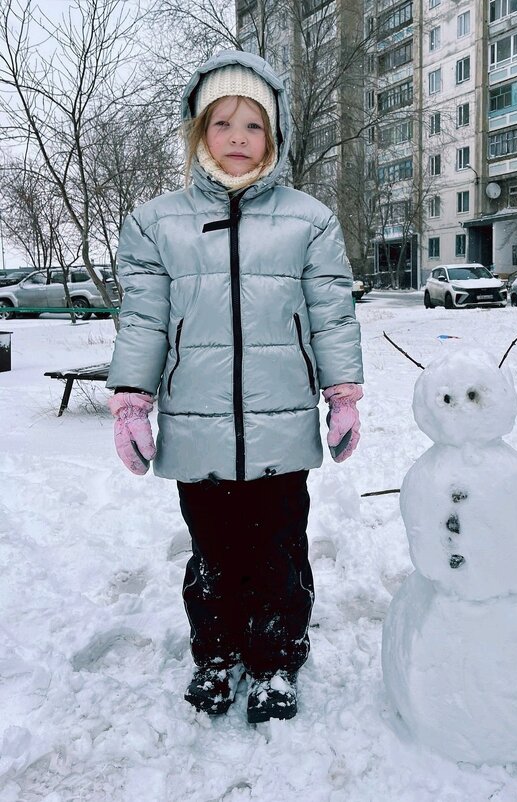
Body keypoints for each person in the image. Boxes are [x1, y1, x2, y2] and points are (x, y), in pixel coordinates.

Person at [106, 50, 364, 724]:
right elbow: (143, 316)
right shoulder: (157, 223)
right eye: (223, 122)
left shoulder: (308, 220)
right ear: (199, 132)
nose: (239, 137)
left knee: (280, 551)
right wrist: (132, 400)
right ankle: (216, 655)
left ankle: (276, 660)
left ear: (272, 137)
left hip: (281, 424)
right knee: (214, 554)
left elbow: (332, 309)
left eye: (254, 124)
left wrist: (341, 394)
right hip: (196, 424)